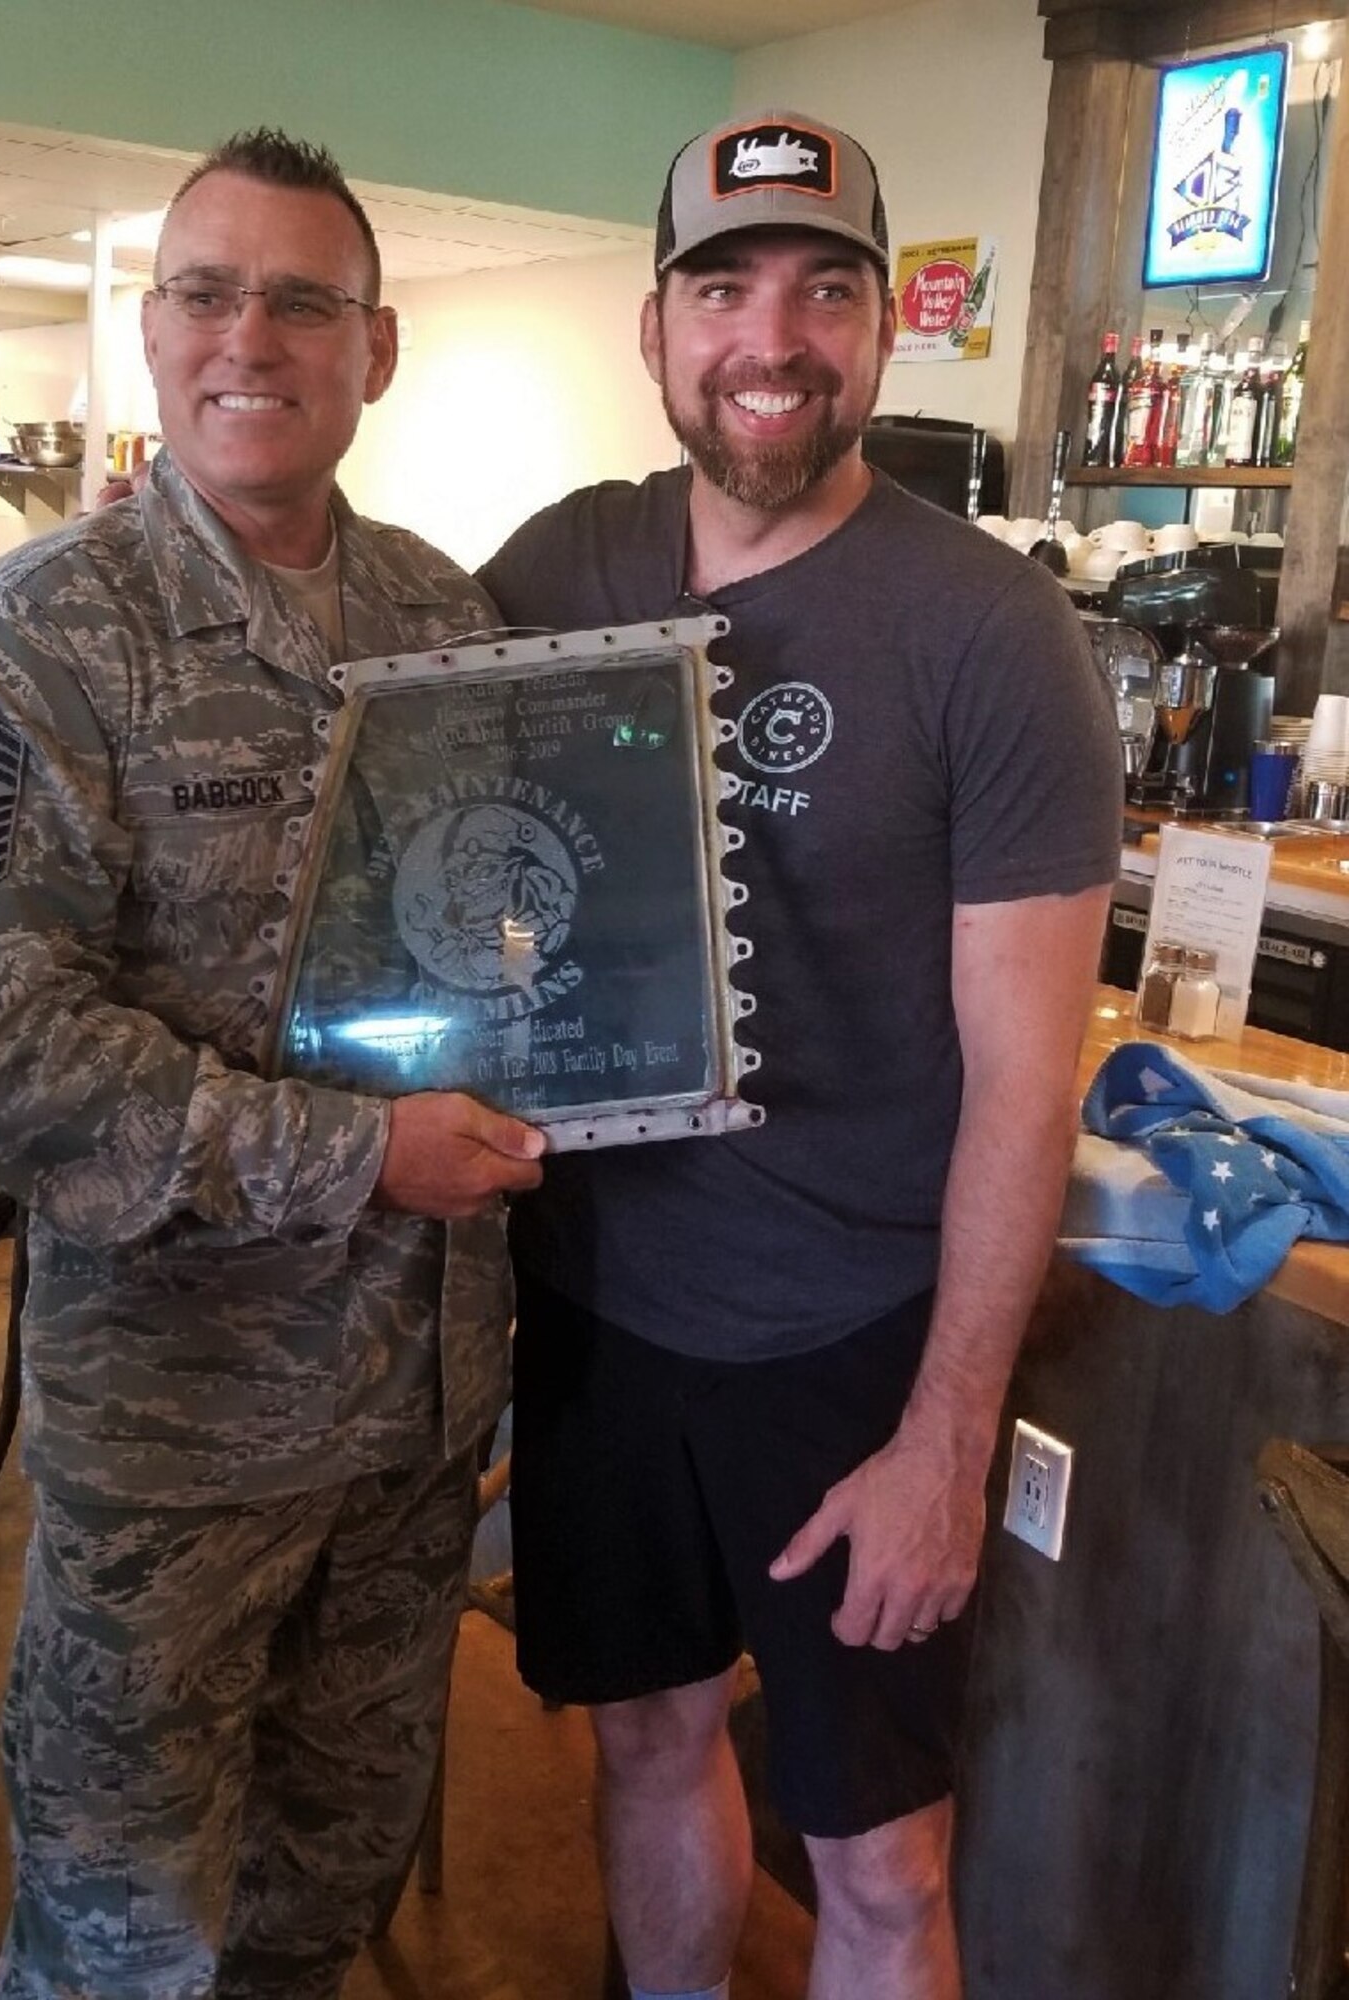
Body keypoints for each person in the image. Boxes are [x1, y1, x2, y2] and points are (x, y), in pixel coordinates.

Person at [0, 128, 544, 2000]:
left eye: (303, 300)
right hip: (181, 1440)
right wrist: (356, 1158)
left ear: (374, 349)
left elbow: (502, 933)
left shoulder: (446, 621)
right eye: (206, 290)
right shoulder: (35, 644)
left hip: (416, 1423)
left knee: (317, 1902)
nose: (252, 333)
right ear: (154, 330)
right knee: (124, 1936)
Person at [478, 110, 1121, 2000]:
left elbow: (1028, 1083)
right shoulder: (553, 573)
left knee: (882, 1865)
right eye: (726, 285)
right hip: (599, 1307)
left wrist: (949, 1437)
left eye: (826, 288)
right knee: (653, 1740)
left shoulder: (993, 636)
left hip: (852, 1341)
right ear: (658, 327)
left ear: (882, 329)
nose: (775, 335)